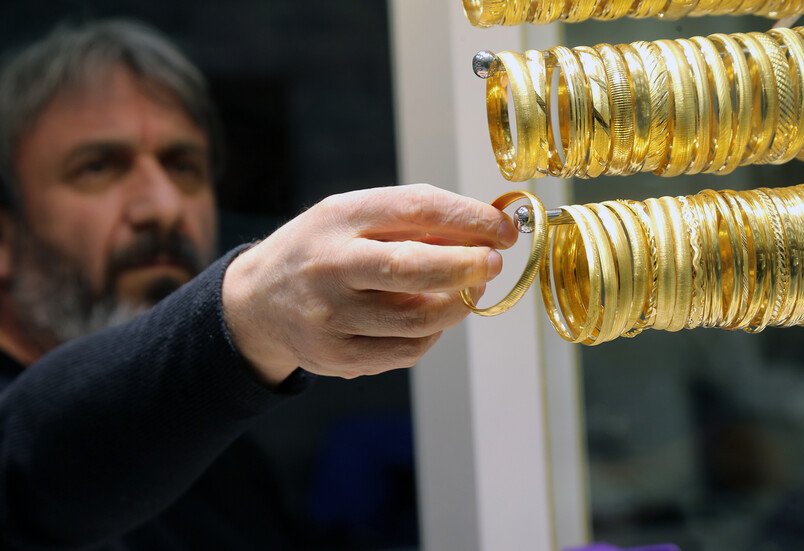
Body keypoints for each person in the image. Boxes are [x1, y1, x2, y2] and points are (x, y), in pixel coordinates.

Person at [0, 19, 517, 549]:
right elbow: (26, 468)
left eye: (184, 166)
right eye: (97, 167)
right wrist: (248, 315)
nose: (163, 206)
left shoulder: (222, 465)